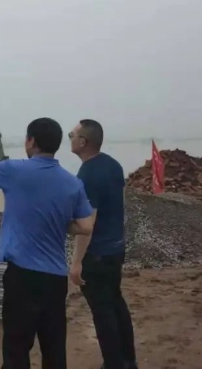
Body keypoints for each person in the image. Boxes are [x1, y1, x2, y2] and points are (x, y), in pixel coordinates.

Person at [0, 118, 95, 369]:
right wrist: (57, 222)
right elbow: (86, 226)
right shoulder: (72, 182)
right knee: (54, 347)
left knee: (16, 348)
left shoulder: (14, 170)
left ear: (31, 141)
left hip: (22, 278)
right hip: (55, 279)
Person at [69, 119, 138, 369]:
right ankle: (128, 360)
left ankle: (114, 363)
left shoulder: (88, 174)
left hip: (96, 254)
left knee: (103, 313)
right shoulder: (113, 165)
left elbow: (87, 224)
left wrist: (76, 262)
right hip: (115, 249)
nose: (69, 139)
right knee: (116, 303)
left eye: (71, 135)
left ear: (82, 142)